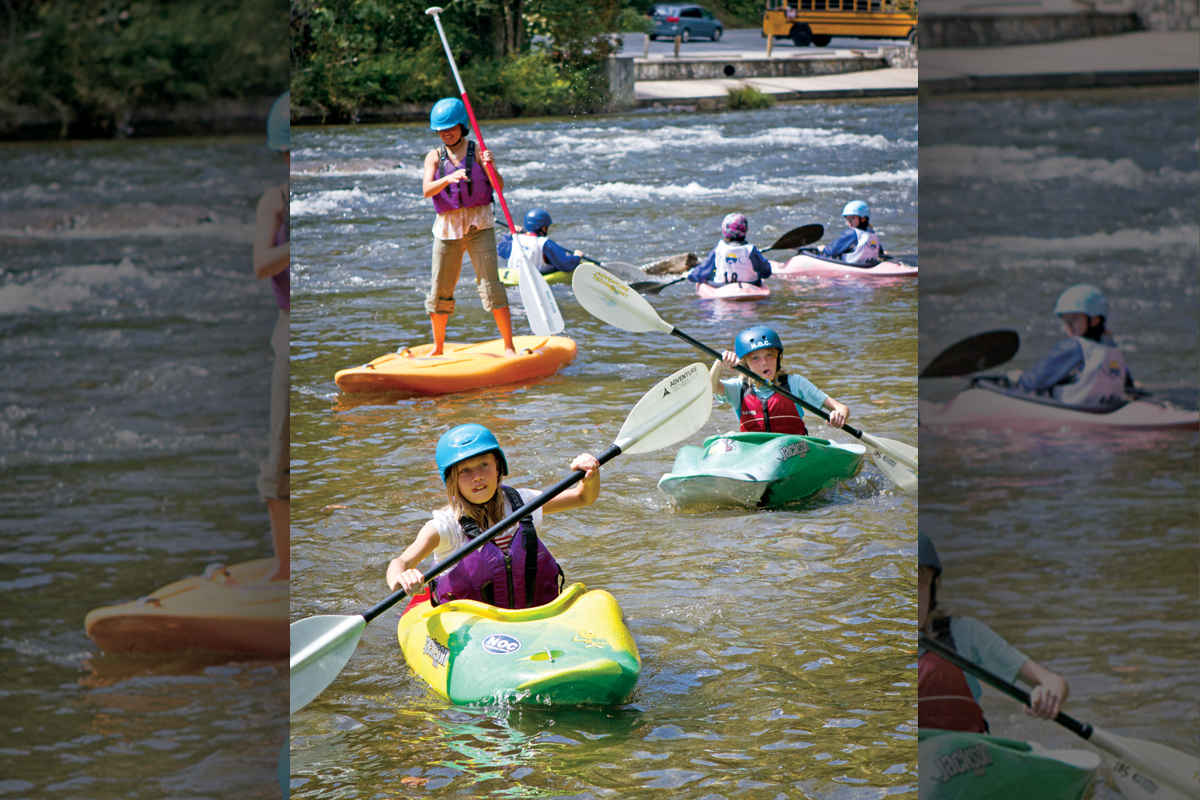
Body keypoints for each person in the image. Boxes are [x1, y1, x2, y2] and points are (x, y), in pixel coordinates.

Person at [386, 424, 600, 609]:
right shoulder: (446, 526)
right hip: (474, 627)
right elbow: (401, 561)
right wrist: (402, 577)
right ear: (453, 481)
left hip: (533, 613)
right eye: (465, 471)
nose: (477, 476)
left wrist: (590, 474)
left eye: (483, 464)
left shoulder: (523, 504)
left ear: (498, 467)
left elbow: (582, 497)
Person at [918, 532, 1069, 732]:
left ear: (933, 588)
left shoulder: (964, 633)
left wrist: (1047, 695)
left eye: (917, 582)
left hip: (964, 755)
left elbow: (1054, 681)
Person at [421, 98, 516, 357]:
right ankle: (438, 348)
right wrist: (448, 178)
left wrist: (491, 165)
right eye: (441, 130)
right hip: (447, 229)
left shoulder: (479, 152)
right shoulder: (434, 157)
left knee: (491, 286)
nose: (446, 133)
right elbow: (427, 190)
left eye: (451, 127)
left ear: (463, 126)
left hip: (479, 226)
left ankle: (509, 346)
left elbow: (498, 187)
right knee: (439, 290)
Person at [251, 91, 291, 584]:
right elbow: (261, 265)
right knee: (280, 448)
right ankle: (283, 568)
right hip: (287, 327)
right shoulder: (274, 201)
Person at [709, 325, 849, 434]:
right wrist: (719, 364)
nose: (764, 362)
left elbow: (841, 408)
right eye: (755, 358)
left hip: (793, 450)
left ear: (778, 358)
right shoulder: (738, 388)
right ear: (746, 365)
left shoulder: (795, 383)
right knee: (730, 436)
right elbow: (710, 386)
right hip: (755, 452)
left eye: (769, 355)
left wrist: (838, 415)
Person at [1015, 284, 1131, 406]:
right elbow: (1125, 379)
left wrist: (1021, 377)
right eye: (1066, 320)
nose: (1069, 326)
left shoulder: (1074, 347)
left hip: (1073, 411)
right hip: (1103, 409)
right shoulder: (1113, 348)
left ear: (1094, 320)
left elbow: (1036, 381)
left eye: (1074, 319)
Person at [688, 213, 773, 287]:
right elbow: (766, 271)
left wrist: (691, 275)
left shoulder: (718, 248)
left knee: (708, 277)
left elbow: (703, 269)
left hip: (721, 286)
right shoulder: (751, 249)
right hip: (750, 284)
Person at [497, 208, 585, 276]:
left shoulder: (515, 239)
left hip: (514, 275)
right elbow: (565, 265)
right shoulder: (545, 243)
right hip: (534, 277)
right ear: (543, 228)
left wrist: (511, 233)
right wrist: (576, 257)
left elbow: (500, 251)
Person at [820, 200, 881, 265]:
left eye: (852, 218)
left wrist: (824, 248)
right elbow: (879, 250)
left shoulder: (852, 233)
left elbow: (832, 250)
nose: (849, 222)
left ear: (863, 219)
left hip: (852, 267)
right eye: (847, 219)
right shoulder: (873, 233)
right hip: (867, 266)